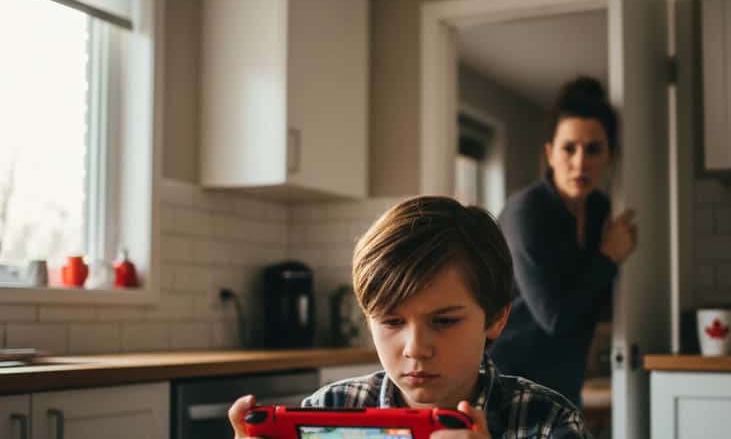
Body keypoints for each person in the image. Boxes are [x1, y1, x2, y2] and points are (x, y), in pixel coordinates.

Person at [229, 196, 593, 438]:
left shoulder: (547, 423)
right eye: (391, 321)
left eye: (444, 321)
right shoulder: (326, 416)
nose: (416, 349)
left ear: (496, 319)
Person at [488, 76, 638, 407]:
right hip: (504, 381)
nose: (580, 162)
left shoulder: (601, 211)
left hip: (563, 381)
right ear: (550, 153)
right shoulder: (527, 212)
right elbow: (555, 318)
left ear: (610, 156)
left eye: (594, 149)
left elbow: (592, 302)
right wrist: (609, 257)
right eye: (569, 148)